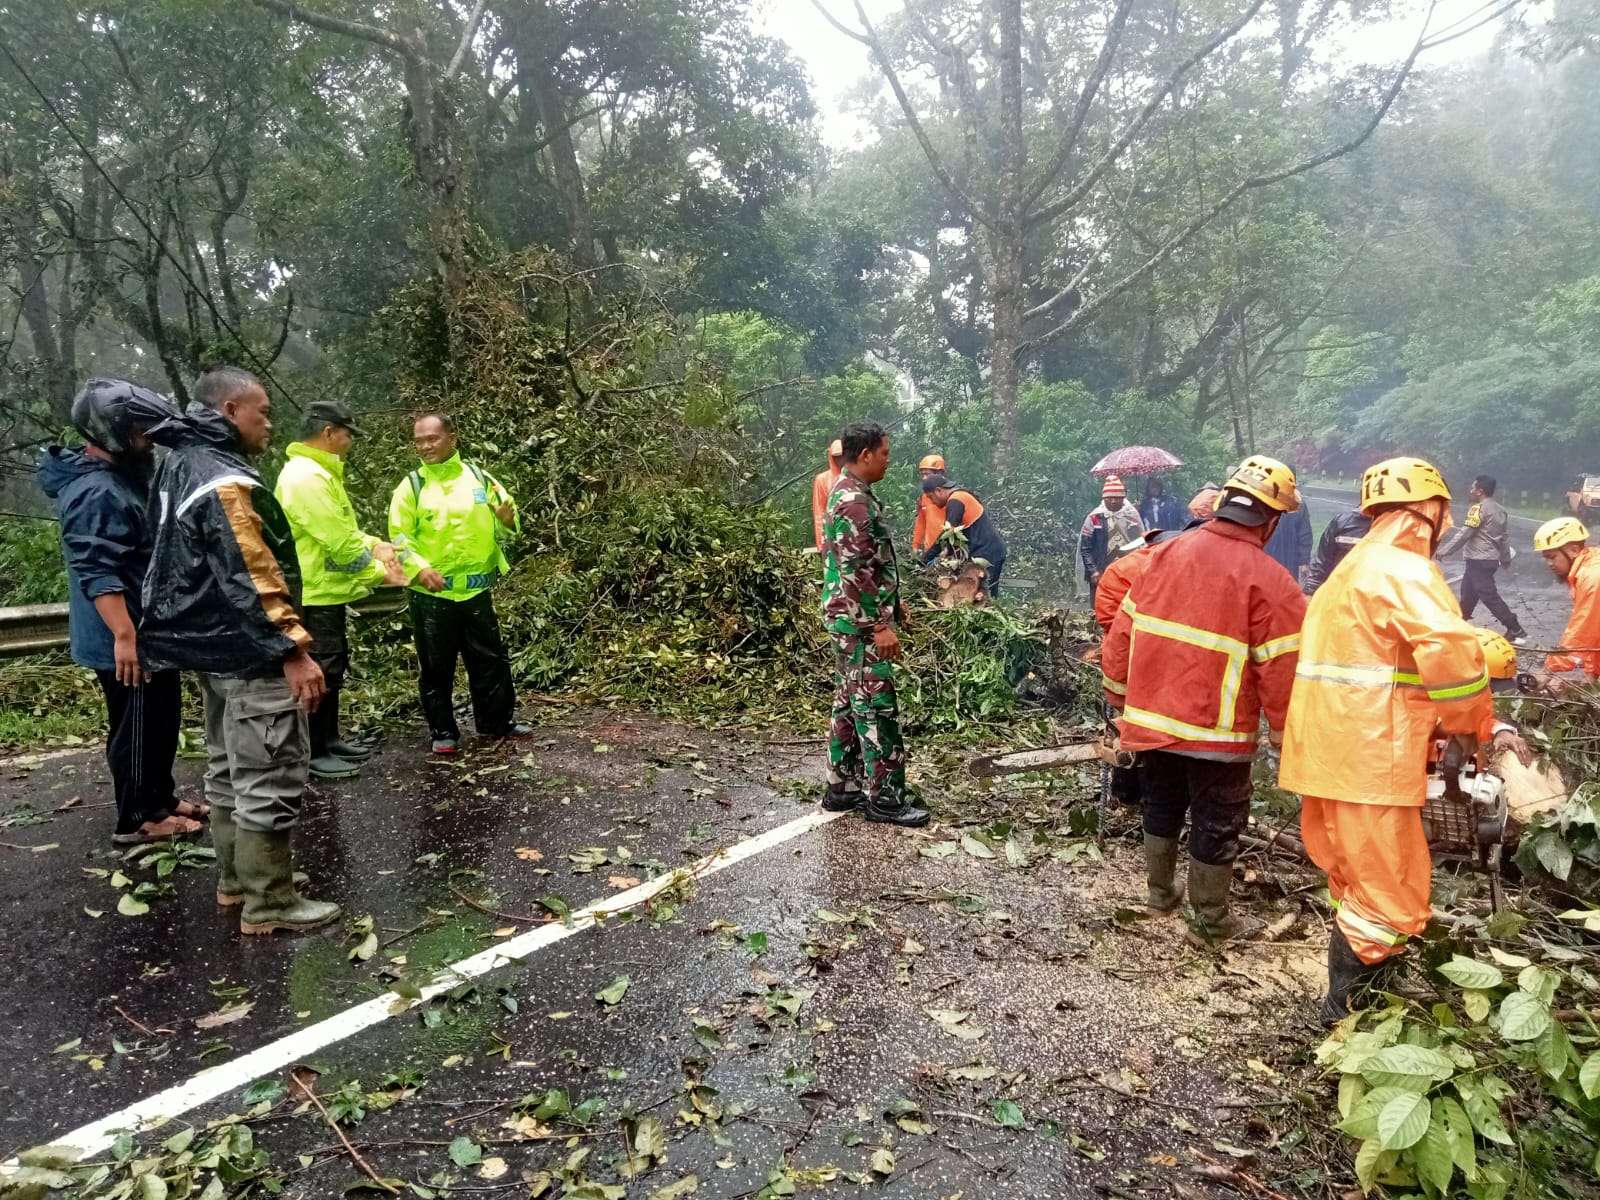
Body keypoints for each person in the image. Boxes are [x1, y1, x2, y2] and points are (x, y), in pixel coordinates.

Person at [1279, 457, 1526, 1022]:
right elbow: (1456, 656)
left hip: (1324, 756)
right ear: (1434, 511)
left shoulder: (1349, 571)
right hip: (1371, 762)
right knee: (1390, 894)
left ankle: (1364, 994)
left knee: (1354, 881)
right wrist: (1467, 730)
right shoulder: (1406, 571)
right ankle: (1348, 1013)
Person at [140, 366, 341, 934]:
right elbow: (250, 576)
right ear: (230, 411)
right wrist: (293, 649)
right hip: (250, 656)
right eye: (263, 411)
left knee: (228, 773)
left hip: (210, 652)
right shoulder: (223, 478)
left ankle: (239, 881)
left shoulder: (179, 464)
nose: (269, 423)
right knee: (269, 774)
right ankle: (271, 901)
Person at [1101, 456, 1307, 945]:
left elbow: (1121, 637)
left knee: (1162, 802)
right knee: (1216, 820)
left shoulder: (1162, 556)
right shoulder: (1273, 582)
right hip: (1220, 732)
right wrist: (1282, 728)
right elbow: (1283, 666)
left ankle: (1159, 896)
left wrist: (1120, 700)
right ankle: (1210, 922)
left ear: (1222, 505)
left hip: (1154, 720)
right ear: (1272, 519)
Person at [38, 379, 204, 845]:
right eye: (140, 432)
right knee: (135, 728)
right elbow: (97, 568)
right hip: (122, 636)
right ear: (112, 431)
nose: (147, 440)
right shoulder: (97, 491)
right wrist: (125, 637)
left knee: (161, 718)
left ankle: (161, 798)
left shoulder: (120, 478)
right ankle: (138, 817)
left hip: (143, 629)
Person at [274, 400, 406, 779]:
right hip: (312, 593)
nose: (350, 442)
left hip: (328, 590)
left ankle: (329, 739)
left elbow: (346, 535)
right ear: (328, 432)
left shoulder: (320, 473)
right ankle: (312, 751)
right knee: (319, 672)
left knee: (332, 669)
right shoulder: (306, 479)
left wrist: (374, 543)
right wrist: (380, 574)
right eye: (347, 434)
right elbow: (339, 545)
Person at [389, 413, 534, 755]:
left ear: (452, 439)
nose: (425, 446)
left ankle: (496, 721)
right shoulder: (411, 487)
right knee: (436, 666)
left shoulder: (480, 478)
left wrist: (508, 522)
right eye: (419, 441)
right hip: (431, 595)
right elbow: (399, 536)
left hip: (476, 593)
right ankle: (443, 731)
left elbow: (507, 520)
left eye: (432, 439)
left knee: (489, 660)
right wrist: (419, 567)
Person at [819, 420, 928, 827]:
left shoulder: (853, 493)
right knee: (876, 706)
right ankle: (886, 799)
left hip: (849, 618)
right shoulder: (853, 500)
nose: (888, 460)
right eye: (884, 453)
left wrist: (894, 602)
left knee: (850, 701)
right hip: (857, 624)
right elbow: (855, 569)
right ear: (864, 455)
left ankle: (842, 787)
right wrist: (878, 624)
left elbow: (870, 563)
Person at [1440, 475, 1526, 641]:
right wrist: (1505, 558)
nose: (1470, 491)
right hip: (1490, 560)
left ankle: (1514, 627)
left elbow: (1465, 532)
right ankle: (1458, 626)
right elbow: (1504, 537)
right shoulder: (1500, 510)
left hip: (1478, 560)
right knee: (1468, 594)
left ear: (1480, 491)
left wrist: (1445, 550)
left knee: (1488, 595)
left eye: (1473, 488)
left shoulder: (1477, 509)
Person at [1530, 517, 1600, 689]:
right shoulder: (1588, 565)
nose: (1549, 563)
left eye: (1552, 557)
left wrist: (1547, 670)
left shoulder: (1592, 577)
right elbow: (1596, 632)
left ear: (1574, 550)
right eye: (1546, 558)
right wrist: (1592, 674)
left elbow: (1581, 634)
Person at [918, 474, 1007, 597]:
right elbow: (954, 537)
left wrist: (925, 559)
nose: (932, 501)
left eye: (931, 497)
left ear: (938, 490)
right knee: (981, 594)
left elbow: (948, 534)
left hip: (987, 553)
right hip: (986, 551)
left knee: (982, 596)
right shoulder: (960, 497)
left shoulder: (956, 500)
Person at [1079, 475, 1144, 606]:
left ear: (1123, 498)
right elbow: (1085, 547)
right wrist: (1093, 570)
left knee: (1126, 603)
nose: (1113, 501)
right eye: (1109, 498)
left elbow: (1140, 541)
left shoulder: (1131, 515)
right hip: (1102, 568)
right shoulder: (1094, 517)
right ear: (1104, 498)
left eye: (1117, 498)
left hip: (1127, 567)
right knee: (1102, 604)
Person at [1303, 508, 1371, 594]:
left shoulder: (1391, 527)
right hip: (1340, 597)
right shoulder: (1342, 523)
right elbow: (1322, 563)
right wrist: (1310, 592)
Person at [1264, 491, 1314, 587]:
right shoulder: (1261, 494)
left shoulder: (1297, 500)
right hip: (1265, 555)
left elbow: (1304, 533)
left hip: (1289, 556)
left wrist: (1304, 561)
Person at [811, 439, 844, 552]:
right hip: (832, 534)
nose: (839, 460)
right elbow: (819, 511)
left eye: (841, 456)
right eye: (836, 456)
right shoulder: (822, 479)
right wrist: (821, 543)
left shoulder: (854, 476)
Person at [910, 453, 947, 555]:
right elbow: (921, 523)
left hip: (950, 552)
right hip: (930, 553)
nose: (924, 478)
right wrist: (915, 546)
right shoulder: (924, 498)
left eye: (927, 474)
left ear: (939, 473)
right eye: (923, 474)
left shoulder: (950, 496)